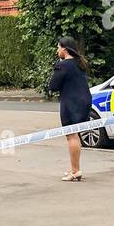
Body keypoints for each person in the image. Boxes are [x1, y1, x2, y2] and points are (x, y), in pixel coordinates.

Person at [48, 35, 93, 182]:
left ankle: (75, 170)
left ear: (64, 49)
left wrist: (58, 66)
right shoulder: (80, 63)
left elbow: (53, 86)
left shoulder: (63, 65)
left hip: (71, 103)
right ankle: (75, 168)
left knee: (71, 135)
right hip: (84, 100)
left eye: (58, 47)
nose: (57, 50)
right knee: (76, 135)